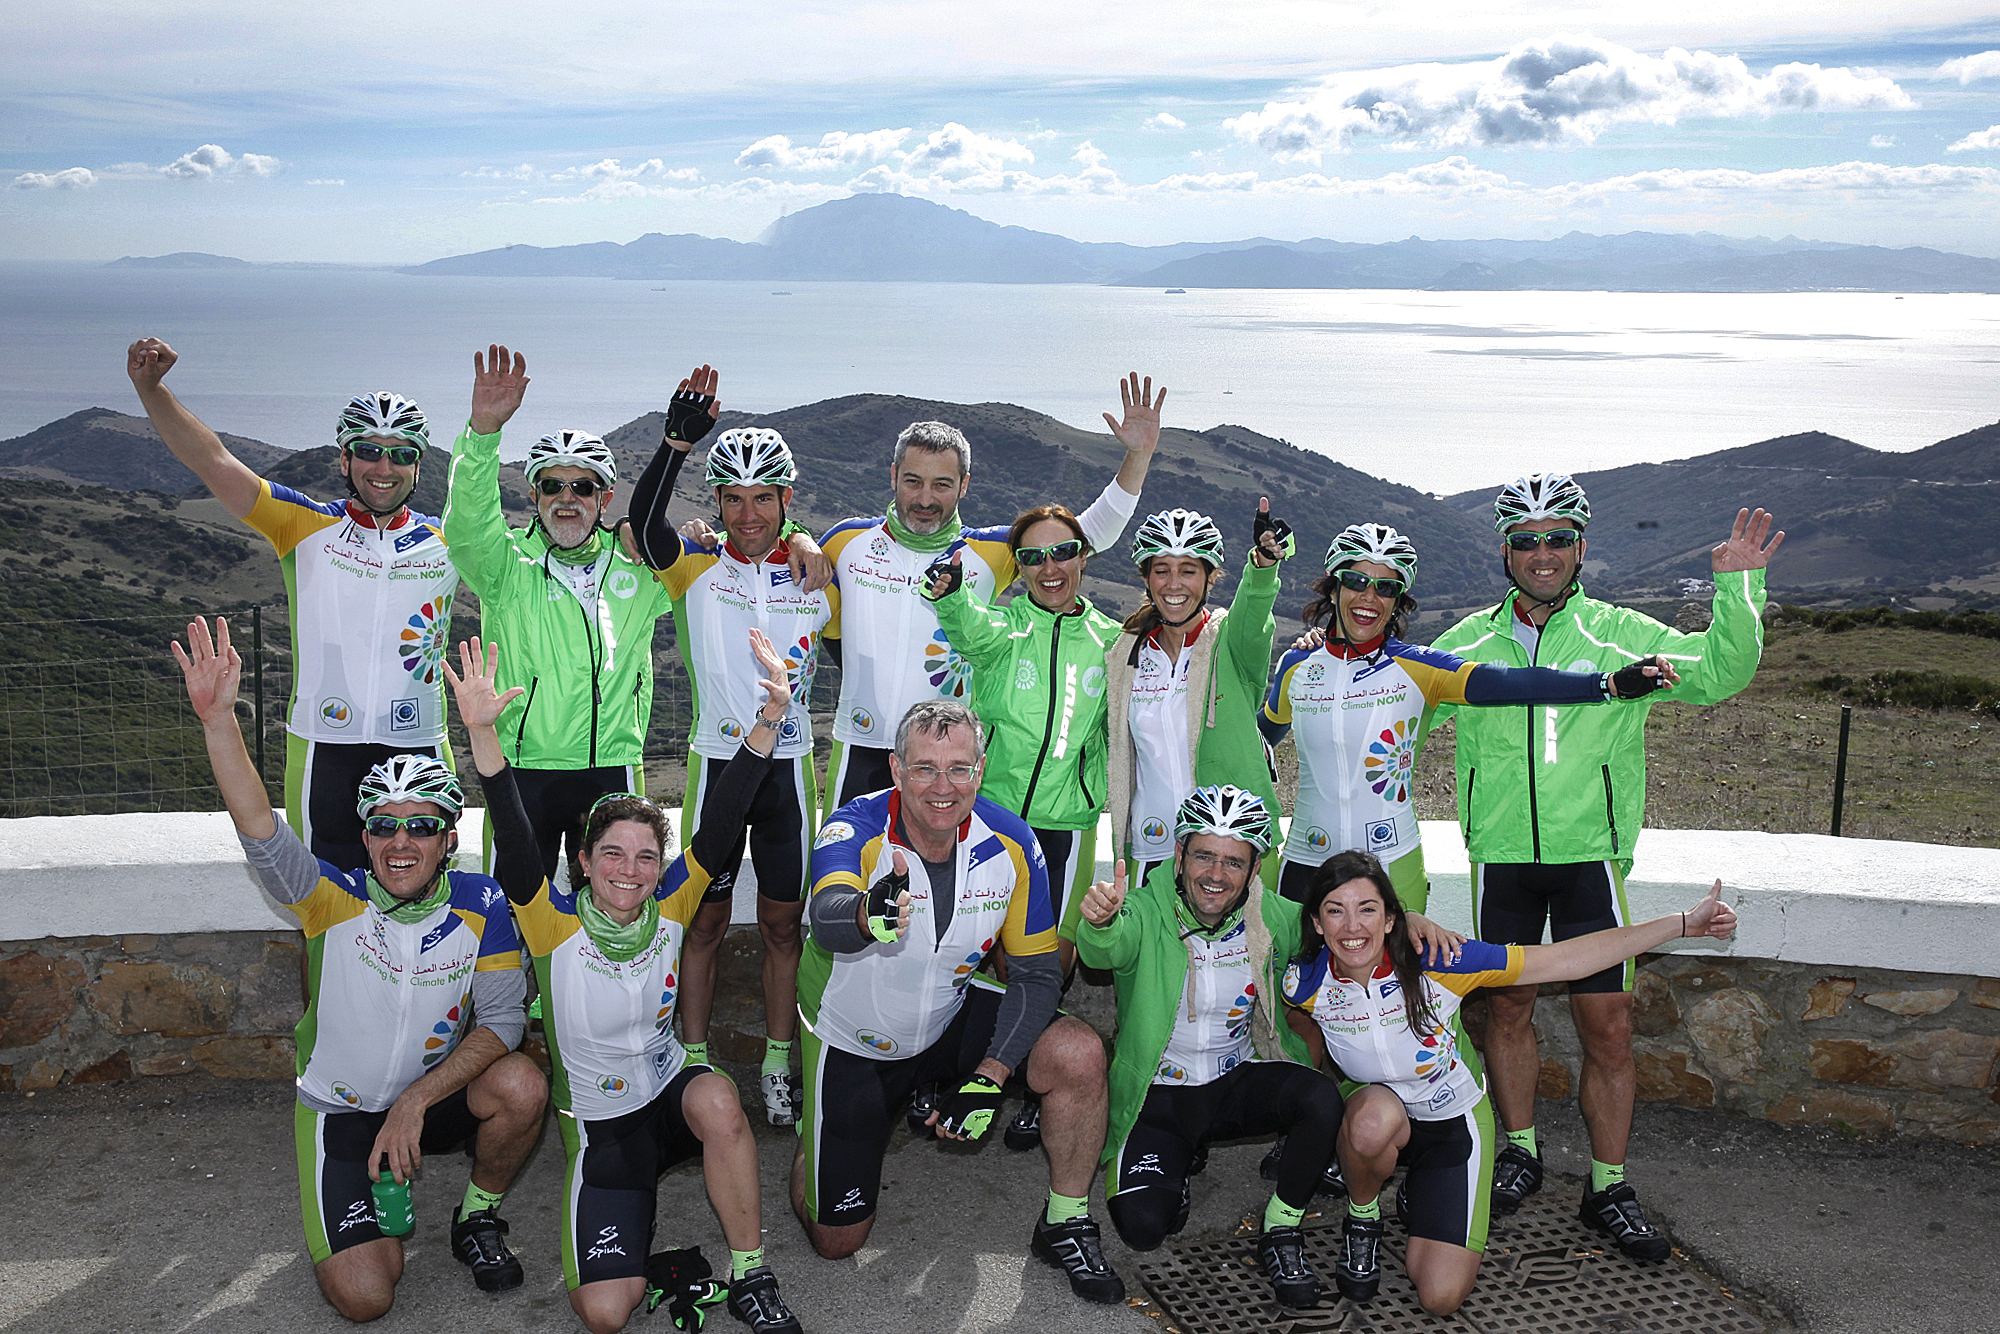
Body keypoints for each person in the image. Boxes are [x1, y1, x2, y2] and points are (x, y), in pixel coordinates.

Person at [1429, 476, 1782, 1253]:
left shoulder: (1620, 634)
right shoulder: (1464, 644)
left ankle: (1608, 1185)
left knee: (1610, 1027)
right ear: (1505, 551)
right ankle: (1519, 1151)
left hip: (1591, 857)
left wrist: (1739, 586)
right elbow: (1393, 706)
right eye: (1526, 540)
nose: (1542, 553)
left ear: (1581, 548)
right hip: (1502, 857)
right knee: (1509, 1012)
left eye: (1558, 539)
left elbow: (1720, 674)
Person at [172, 617, 546, 1320]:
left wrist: (413, 1101)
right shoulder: (332, 899)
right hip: (340, 1108)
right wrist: (218, 720)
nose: (401, 842)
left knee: (522, 1085)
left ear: (449, 840)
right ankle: (349, 1194)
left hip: (426, 1099)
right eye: (384, 824)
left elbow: (499, 1020)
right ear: (365, 835)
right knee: (369, 1294)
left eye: (422, 825)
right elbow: (261, 833)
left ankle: (477, 1215)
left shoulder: (481, 901)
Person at [449, 633, 803, 1334]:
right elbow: (518, 838)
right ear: (583, 862)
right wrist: (483, 736)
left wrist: (770, 717)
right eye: (612, 853)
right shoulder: (551, 924)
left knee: (719, 1100)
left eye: (646, 855)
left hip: (668, 1098)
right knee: (606, 1313)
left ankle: (751, 1273)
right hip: (603, 1134)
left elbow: (726, 814)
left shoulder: (672, 901)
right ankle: (660, 1264)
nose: (630, 869)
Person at [1282, 849, 1736, 1315]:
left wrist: (1682, 923)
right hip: (1378, 1115)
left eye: (1368, 909)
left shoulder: (1441, 961)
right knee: (1372, 1118)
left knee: (1439, 1297)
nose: (1352, 927)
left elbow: (1566, 960)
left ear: (1392, 919)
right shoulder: (1304, 982)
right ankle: (1364, 1216)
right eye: (1336, 911)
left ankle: (1423, 1190)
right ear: (1317, 922)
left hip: (1451, 1121)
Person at [791, 699, 1123, 1304]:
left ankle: (1067, 1218)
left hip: (946, 1018)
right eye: (924, 769)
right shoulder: (855, 826)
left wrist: (992, 1076)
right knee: (837, 1241)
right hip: (852, 1040)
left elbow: (1035, 976)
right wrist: (869, 913)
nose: (942, 788)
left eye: (958, 769)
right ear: (895, 769)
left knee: (1077, 1050)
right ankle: (817, 1142)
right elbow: (828, 915)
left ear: (980, 768)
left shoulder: (1012, 841)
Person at [129, 338, 458, 869]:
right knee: (323, 899)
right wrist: (152, 390)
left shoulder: (450, 543)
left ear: (418, 468)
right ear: (345, 459)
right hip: (324, 745)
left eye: (401, 454)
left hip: (420, 741)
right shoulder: (305, 525)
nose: (384, 466)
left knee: (427, 896)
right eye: (369, 450)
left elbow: (538, 560)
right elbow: (214, 463)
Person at [1260, 522, 1677, 915]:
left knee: (1395, 988)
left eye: (1386, 587)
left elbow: (1513, 683)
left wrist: (1607, 684)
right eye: (1356, 581)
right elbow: (1256, 741)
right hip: (1304, 860)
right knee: (1295, 987)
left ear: (1397, 601)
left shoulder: (1419, 669)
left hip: (1392, 862)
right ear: (1334, 589)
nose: (1369, 597)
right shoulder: (1296, 664)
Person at [815, 374, 1164, 809]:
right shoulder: (844, 540)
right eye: (913, 481)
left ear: (963, 485)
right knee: (849, 871)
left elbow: (1088, 533)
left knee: (943, 878)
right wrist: (793, 536)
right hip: (858, 747)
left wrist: (1138, 456)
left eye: (942, 484)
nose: (925, 498)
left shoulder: (990, 551)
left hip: (948, 760)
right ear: (893, 477)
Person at [440, 345, 720, 880]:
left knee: (614, 907)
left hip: (612, 769)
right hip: (523, 771)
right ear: (533, 495)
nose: (566, 498)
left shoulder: (640, 566)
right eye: (552, 485)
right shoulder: (505, 565)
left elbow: (735, 550)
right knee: (520, 912)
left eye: (583, 486)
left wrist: (796, 539)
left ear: (606, 497)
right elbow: (467, 525)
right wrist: (481, 435)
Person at [627, 425, 836, 1129]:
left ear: (786, 497)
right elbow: (640, 525)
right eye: (733, 498)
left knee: (783, 927)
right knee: (702, 921)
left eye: (764, 499)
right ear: (715, 501)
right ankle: (690, 1060)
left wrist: (805, 539)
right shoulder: (693, 564)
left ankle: (779, 1064)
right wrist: (674, 447)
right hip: (718, 765)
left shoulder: (816, 569)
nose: (748, 514)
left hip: (789, 771)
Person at [1075, 785, 1343, 1310]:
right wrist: (1099, 920)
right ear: (1178, 855)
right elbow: (1104, 948)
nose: (1216, 875)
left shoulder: (1272, 918)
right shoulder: (1146, 910)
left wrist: (1407, 922)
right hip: (1158, 1097)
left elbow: (1346, 924)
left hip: (1233, 1083)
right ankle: (1177, 1163)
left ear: (1254, 870)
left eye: (1233, 862)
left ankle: (1282, 1228)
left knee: (1320, 1099)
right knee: (1144, 1230)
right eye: (1203, 855)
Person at [922, 504, 1122, 967]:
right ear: (1020, 567)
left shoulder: (1113, 641)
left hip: (1068, 824)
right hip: (994, 817)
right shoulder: (1002, 630)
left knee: (1055, 962)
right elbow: (967, 624)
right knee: (993, 958)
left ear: (1083, 556)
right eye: (1033, 558)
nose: (1049, 568)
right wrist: (950, 596)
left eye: (1062, 552)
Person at [1105, 502, 1291, 886]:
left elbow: (1253, 617)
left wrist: (1263, 566)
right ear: (1147, 578)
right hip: (1152, 847)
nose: (1174, 584)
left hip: (1236, 845)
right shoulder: (1125, 653)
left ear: (1210, 579)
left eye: (1188, 570)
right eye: (1162, 570)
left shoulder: (1230, 643)